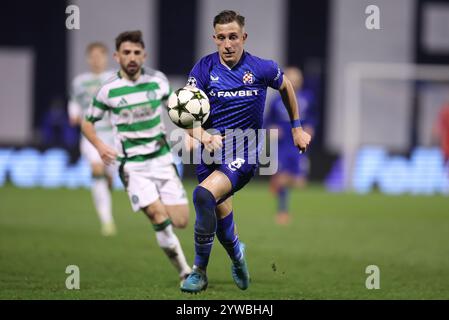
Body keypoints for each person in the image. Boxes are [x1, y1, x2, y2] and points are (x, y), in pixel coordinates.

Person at [180, 10, 311, 293]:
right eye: (222, 38)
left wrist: (296, 128)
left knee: (202, 195)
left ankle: (199, 272)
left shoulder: (261, 68)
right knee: (220, 216)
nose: (228, 44)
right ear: (214, 38)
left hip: (246, 151)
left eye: (233, 37)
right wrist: (200, 135)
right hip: (210, 152)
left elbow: (286, 85)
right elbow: (184, 113)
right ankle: (237, 256)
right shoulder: (203, 69)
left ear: (244, 37)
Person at [81, 31, 192, 283]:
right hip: (132, 165)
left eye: (136, 53)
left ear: (144, 55)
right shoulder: (108, 89)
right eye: (127, 53)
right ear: (117, 56)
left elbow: (178, 112)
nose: (132, 57)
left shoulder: (158, 81)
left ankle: (187, 243)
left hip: (162, 159)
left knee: (182, 221)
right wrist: (99, 145)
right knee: (157, 215)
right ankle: (186, 272)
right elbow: (88, 123)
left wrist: (195, 133)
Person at [68, 42, 117, 236]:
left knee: (110, 177)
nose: (96, 60)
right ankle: (107, 221)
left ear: (106, 58)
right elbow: (74, 103)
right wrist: (74, 115)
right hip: (90, 134)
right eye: (93, 56)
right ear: (88, 59)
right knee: (97, 168)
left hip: (113, 135)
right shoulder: (80, 81)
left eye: (100, 56)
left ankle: (107, 184)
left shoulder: (113, 78)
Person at [264, 66, 317, 225]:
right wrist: (272, 129)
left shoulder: (307, 98)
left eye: (296, 80)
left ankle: (278, 182)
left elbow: (313, 118)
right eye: (290, 80)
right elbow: (267, 121)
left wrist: (310, 128)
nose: (293, 83)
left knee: (300, 182)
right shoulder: (276, 100)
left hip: (298, 142)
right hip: (282, 144)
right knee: (282, 176)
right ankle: (283, 212)